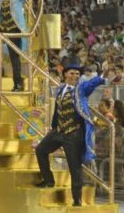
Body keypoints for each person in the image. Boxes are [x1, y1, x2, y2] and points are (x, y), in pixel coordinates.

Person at [35, 64, 111, 207]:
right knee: (40, 150)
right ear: (65, 75)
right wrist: (55, 127)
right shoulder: (61, 89)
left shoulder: (80, 89)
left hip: (74, 133)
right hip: (59, 130)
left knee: (74, 167)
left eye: (77, 74)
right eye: (72, 73)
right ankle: (49, 181)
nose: (75, 76)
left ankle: (77, 200)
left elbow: (92, 83)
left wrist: (104, 75)